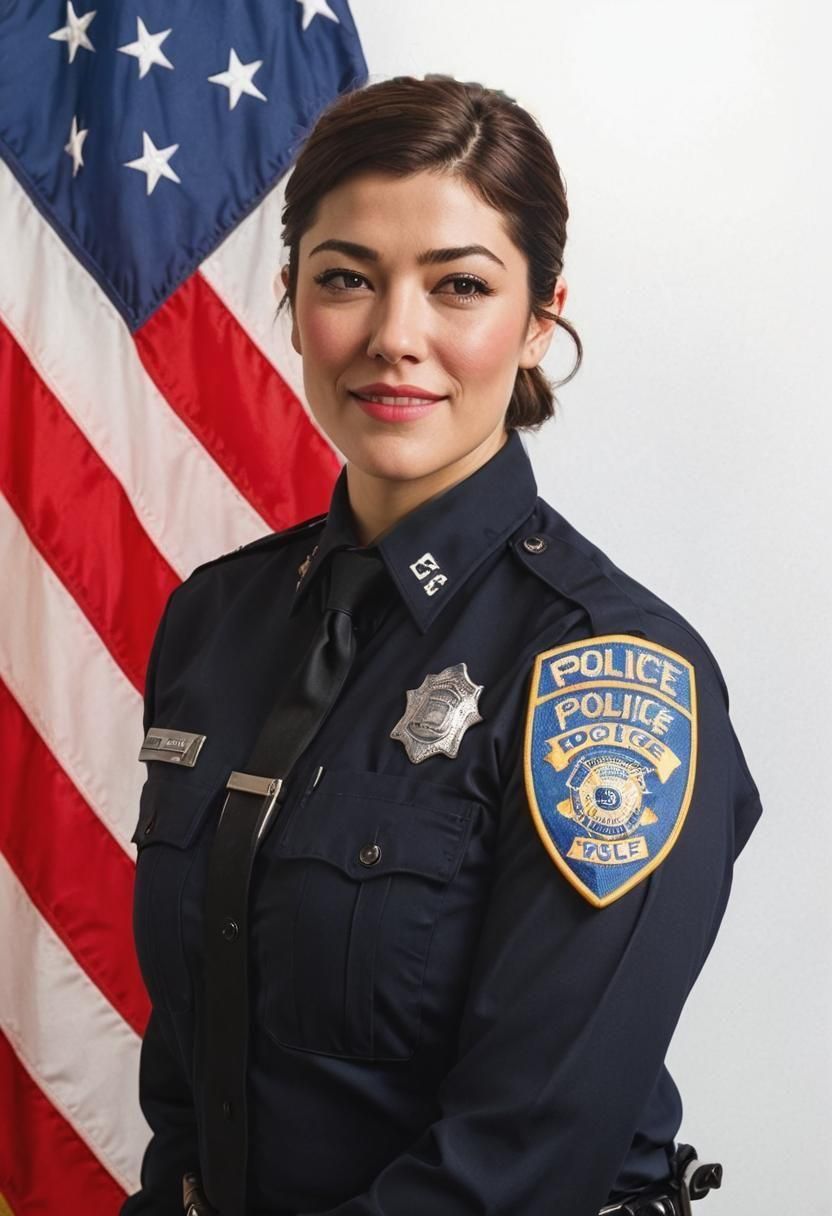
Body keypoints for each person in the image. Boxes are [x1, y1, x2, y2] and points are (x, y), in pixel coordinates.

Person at [122, 74, 763, 1216]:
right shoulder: (218, 619)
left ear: (538, 320)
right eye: (346, 280)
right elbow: (190, 1087)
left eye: (458, 285)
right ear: (290, 298)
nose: (391, 338)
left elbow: (520, 1160)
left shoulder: (607, 676)